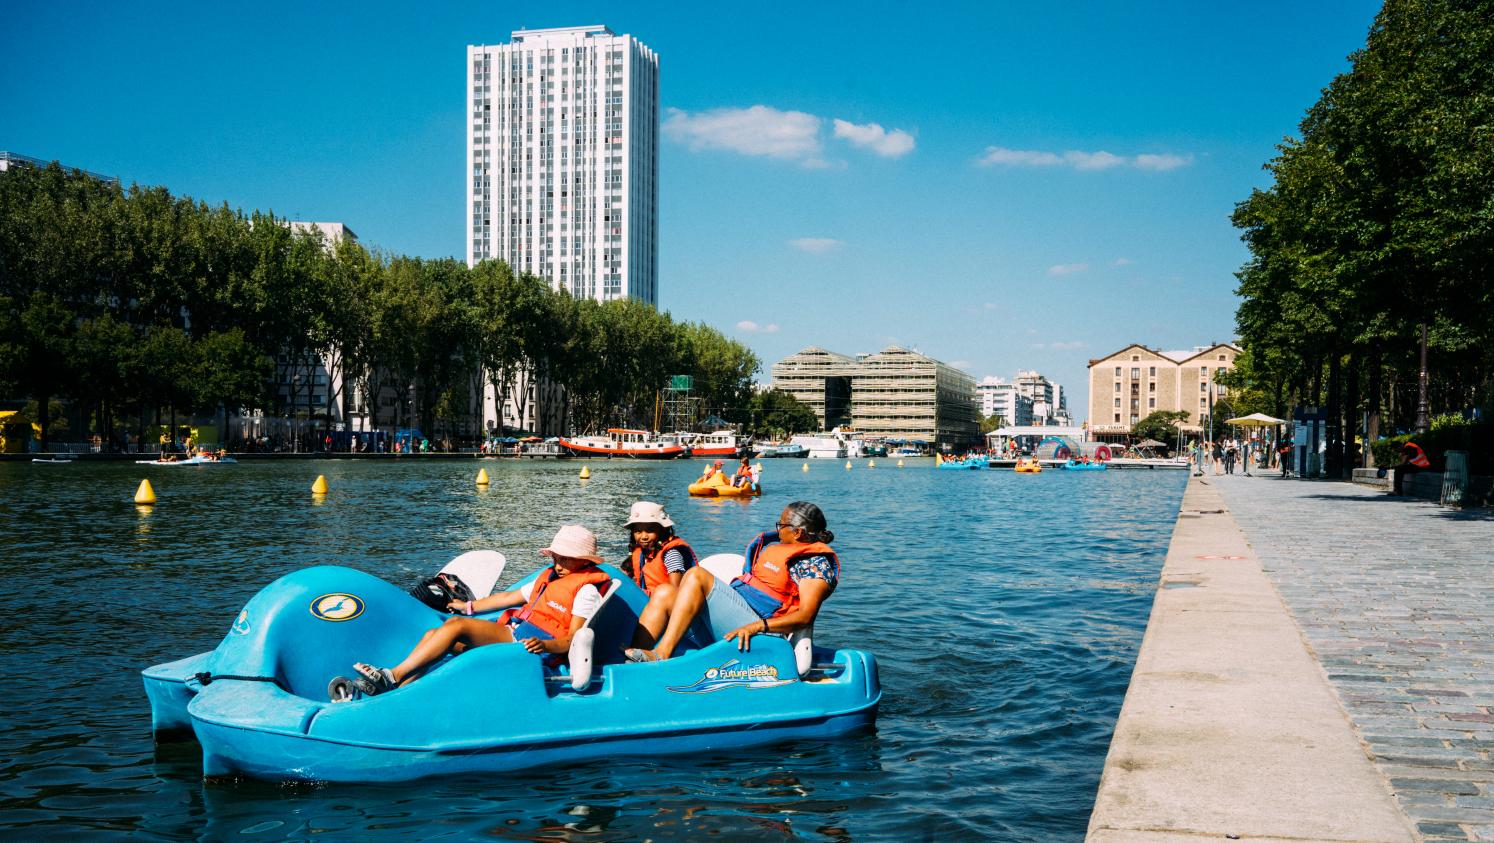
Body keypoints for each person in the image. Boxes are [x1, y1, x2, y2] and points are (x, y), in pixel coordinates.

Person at [344, 525, 611, 697]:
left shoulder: (585, 590)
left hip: (530, 649)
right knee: (435, 636)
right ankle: (397, 693)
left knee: (456, 627)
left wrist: (545, 645)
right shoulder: (551, 578)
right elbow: (508, 597)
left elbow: (574, 639)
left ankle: (391, 675)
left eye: (565, 558)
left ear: (585, 561)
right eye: (555, 557)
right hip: (514, 635)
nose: (558, 563)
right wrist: (468, 606)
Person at [625, 501, 838, 662]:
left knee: (697, 575)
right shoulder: (783, 550)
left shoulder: (814, 564)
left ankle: (662, 653)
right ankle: (634, 657)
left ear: (798, 532)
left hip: (759, 633)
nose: (778, 529)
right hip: (739, 621)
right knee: (665, 592)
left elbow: (806, 616)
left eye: (781, 525)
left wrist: (758, 626)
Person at [624, 501, 698, 646]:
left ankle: (638, 649)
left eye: (650, 530)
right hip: (650, 604)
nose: (643, 536)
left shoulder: (671, 554)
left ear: (662, 530)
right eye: (638, 531)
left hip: (672, 611)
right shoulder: (639, 554)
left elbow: (675, 593)